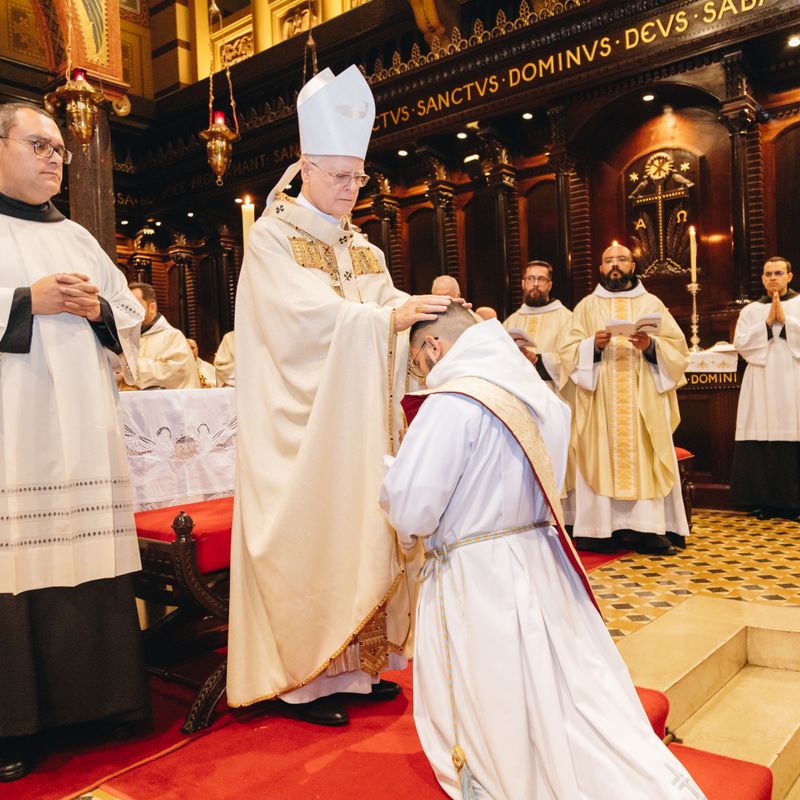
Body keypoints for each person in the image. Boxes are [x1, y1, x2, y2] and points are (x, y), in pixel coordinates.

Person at [379, 304, 706, 800]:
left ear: (433, 346)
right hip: (539, 556)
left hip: (478, 573)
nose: (424, 373)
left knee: (500, 688)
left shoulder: (451, 402)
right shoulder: (533, 393)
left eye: (421, 362)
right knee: (556, 685)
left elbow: (413, 508)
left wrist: (391, 475)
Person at [227, 65, 452, 726]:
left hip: (360, 426)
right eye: (340, 177)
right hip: (300, 433)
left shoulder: (364, 249)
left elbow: (385, 308)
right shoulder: (272, 240)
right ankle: (303, 682)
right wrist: (386, 321)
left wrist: (425, 333)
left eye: (359, 178)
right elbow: (302, 324)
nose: (353, 190)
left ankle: (356, 671)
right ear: (304, 167)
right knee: (314, 540)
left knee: (362, 536)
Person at [0, 102, 149, 781]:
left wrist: (100, 311)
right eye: (39, 145)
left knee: (87, 549)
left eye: (59, 148)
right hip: (15, 428)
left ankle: (102, 704)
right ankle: (14, 725)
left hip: (83, 431)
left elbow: (130, 314)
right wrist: (25, 300)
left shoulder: (79, 237)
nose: (55, 158)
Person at [560, 243, 689, 555]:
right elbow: (567, 351)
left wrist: (650, 346)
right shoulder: (587, 306)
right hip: (600, 401)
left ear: (633, 265)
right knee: (599, 455)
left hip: (643, 398)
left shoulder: (651, 302)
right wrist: (592, 345)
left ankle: (649, 529)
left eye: (622, 259)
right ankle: (599, 531)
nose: (615, 264)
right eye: (609, 260)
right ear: (601, 268)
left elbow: (677, 349)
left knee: (645, 454)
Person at [504, 260, 577, 520]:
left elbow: (572, 358)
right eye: (530, 279)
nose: (535, 284)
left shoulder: (566, 318)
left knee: (553, 454)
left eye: (541, 279)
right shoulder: (511, 321)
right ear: (523, 283)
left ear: (550, 285)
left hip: (551, 398)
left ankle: (559, 519)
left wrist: (540, 359)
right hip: (519, 403)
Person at [730, 256, 800, 519]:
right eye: (768, 274)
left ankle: (794, 503)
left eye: (778, 273)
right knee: (762, 434)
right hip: (760, 378)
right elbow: (741, 344)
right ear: (762, 278)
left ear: (789, 276)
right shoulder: (750, 311)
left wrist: (786, 322)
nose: (773, 278)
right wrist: (767, 324)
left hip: (793, 377)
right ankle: (765, 502)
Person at [127, 281, 199, 389]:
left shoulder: (173, 336)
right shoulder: (125, 339)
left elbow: (175, 373)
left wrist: (129, 368)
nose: (128, 312)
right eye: (125, 306)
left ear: (152, 308)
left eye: (133, 306)